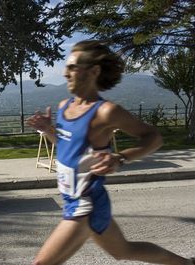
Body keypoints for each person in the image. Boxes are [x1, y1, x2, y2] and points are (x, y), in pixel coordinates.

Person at [26, 40, 194, 265]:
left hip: (85, 204)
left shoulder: (105, 112)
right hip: (75, 200)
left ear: (94, 71)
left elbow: (154, 138)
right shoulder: (65, 106)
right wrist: (48, 130)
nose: (66, 73)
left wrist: (121, 157)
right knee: (123, 251)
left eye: (73, 67)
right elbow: (68, 150)